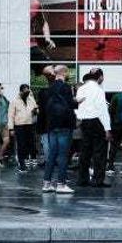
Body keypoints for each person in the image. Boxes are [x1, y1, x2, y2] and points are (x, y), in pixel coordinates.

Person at [74, 68, 111, 188]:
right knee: (99, 152)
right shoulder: (98, 90)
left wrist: (79, 120)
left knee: (85, 152)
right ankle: (97, 180)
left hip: (84, 123)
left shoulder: (81, 89)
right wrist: (107, 128)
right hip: (97, 122)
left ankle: (82, 179)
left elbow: (79, 105)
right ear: (99, 77)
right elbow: (102, 110)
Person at [42, 65, 76, 194]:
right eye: (67, 72)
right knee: (63, 155)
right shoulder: (66, 87)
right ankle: (61, 184)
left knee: (52, 154)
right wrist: (77, 101)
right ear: (64, 73)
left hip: (52, 125)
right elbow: (70, 104)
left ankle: (46, 183)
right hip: (64, 125)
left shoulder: (49, 88)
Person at [7, 84, 38, 172]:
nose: (27, 92)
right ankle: (21, 164)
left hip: (29, 124)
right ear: (21, 91)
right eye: (25, 91)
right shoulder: (14, 101)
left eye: (28, 90)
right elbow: (10, 116)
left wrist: (35, 111)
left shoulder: (31, 99)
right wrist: (11, 128)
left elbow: (36, 109)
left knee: (30, 144)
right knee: (21, 145)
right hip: (19, 126)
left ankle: (27, 160)